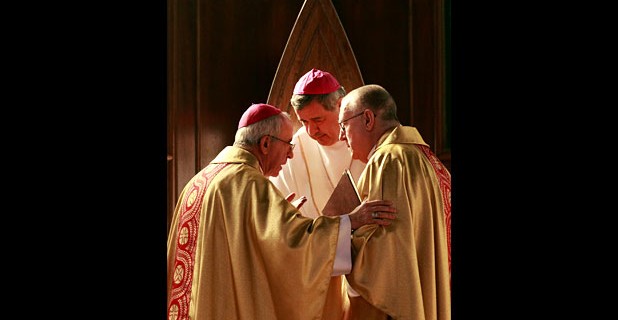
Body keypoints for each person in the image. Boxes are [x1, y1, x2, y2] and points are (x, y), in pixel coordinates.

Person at [166, 103, 397, 320]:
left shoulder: (197, 182)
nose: (290, 155)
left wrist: (277, 225)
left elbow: (242, 252)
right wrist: (351, 221)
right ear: (266, 144)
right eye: (288, 144)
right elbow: (296, 248)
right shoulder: (250, 185)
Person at [338, 84, 451, 319]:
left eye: (344, 125)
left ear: (368, 119)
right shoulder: (430, 161)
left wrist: (339, 231)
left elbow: (382, 251)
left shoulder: (388, 161)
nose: (341, 136)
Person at [269, 68, 367, 319]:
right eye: (304, 122)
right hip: (315, 273)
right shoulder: (297, 147)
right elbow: (279, 216)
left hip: (366, 268)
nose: (311, 131)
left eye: (318, 120)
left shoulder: (367, 140)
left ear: (340, 106)